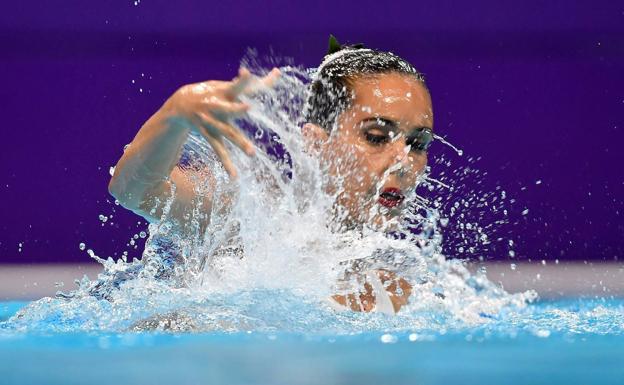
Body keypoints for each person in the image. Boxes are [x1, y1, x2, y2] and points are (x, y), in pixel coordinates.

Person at [108, 36, 434, 313]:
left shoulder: (395, 293)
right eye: (376, 137)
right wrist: (177, 112)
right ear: (315, 143)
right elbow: (134, 191)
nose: (403, 161)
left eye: (418, 143)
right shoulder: (252, 218)